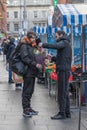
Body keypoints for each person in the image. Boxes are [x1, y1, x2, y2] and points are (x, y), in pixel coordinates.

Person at [42, 30, 72, 120]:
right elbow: (62, 58)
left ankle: (62, 113)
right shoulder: (65, 44)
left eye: (56, 36)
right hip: (64, 69)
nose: (56, 38)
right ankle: (67, 112)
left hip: (63, 70)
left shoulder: (64, 42)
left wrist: (44, 45)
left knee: (62, 92)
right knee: (65, 92)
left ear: (61, 35)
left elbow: (55, 46)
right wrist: (53, 58)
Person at [19, 31, 42, 117]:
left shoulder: (31, 46)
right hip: (28, 72)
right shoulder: (24, 46)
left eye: (34, 38)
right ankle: (25, 109)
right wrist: (35, 64)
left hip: (32, 71)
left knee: (30, 91)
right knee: (27, 91)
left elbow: (37, 55)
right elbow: (25, 58)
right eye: (32, 38)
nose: (34, 39)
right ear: (28, 38)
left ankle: (28, 107)